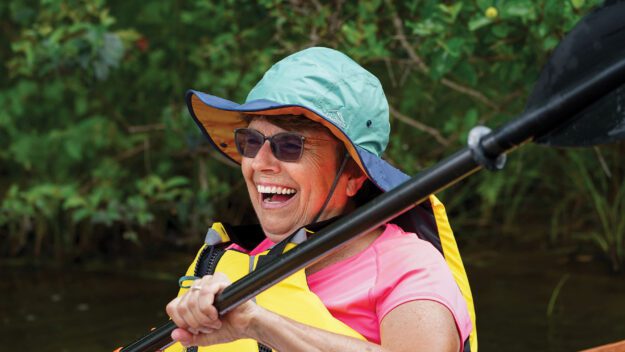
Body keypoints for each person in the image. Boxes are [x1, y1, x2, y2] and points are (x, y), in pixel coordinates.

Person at [165, 47, 475, 352]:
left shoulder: (409, 266)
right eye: (251, 141)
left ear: (353, 175)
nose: (260, 163)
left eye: (289, 145)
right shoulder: (224, 260)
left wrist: (257, 324)